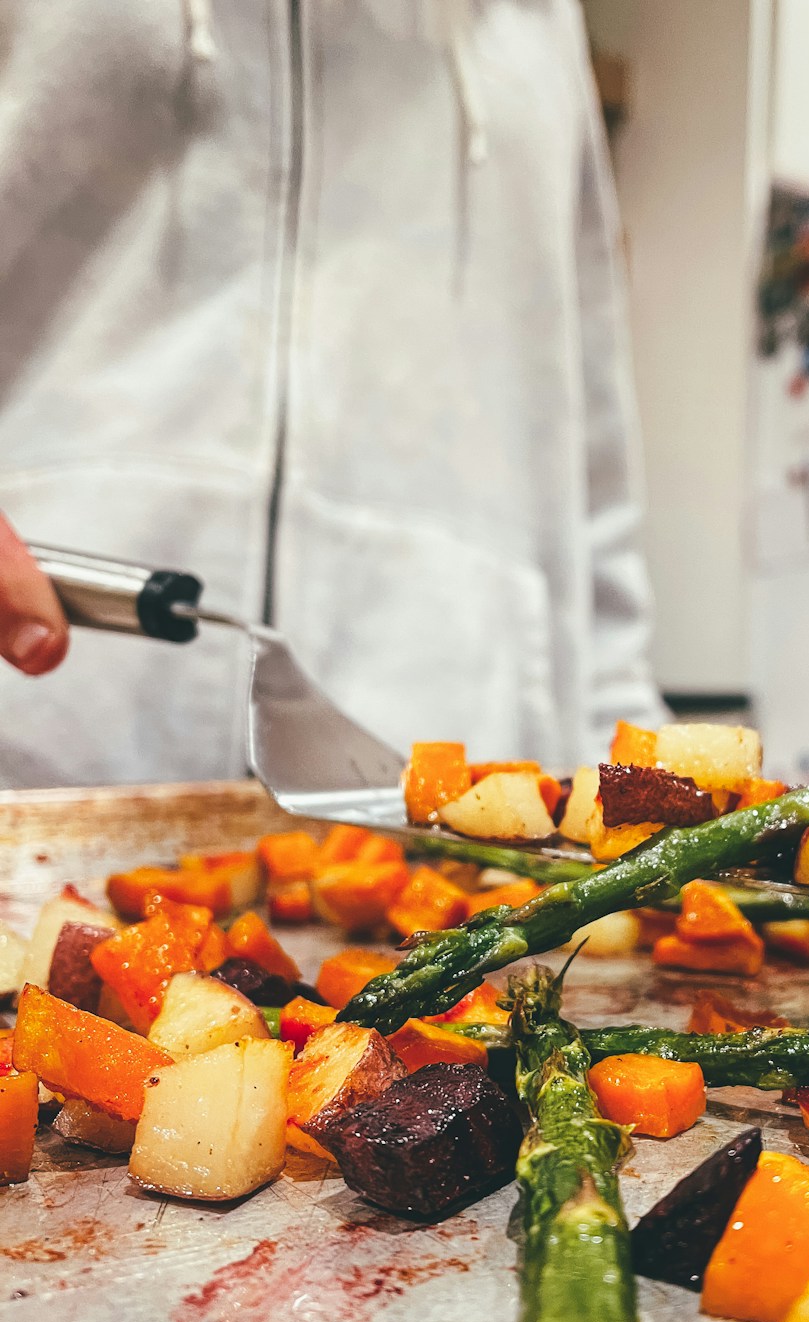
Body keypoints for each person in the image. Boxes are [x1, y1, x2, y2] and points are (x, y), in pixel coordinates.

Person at [0, 0, 662, 786]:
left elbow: (589, 476)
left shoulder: (541, 24)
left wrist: (640, 782)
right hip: (42, 737)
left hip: (455, 798)